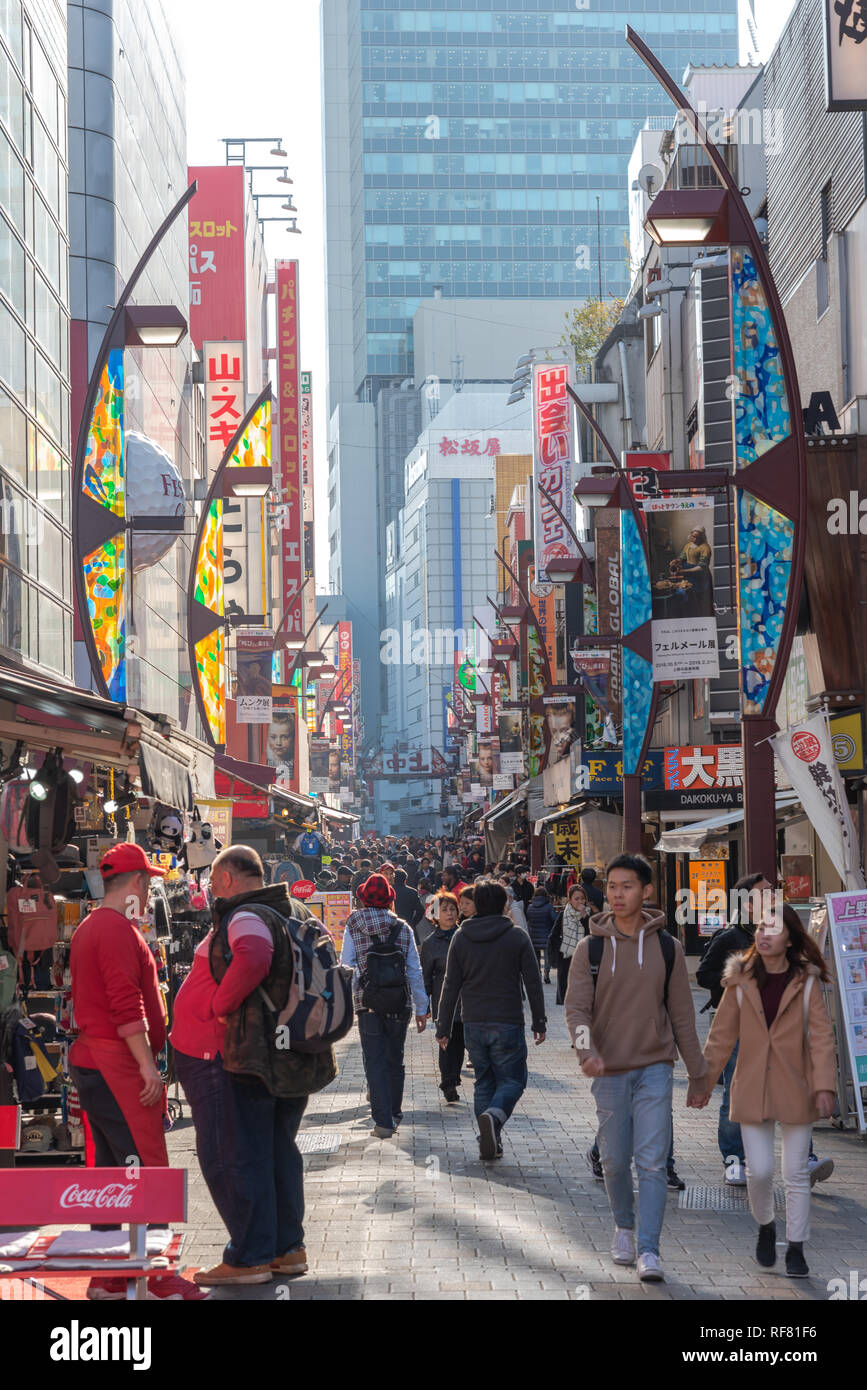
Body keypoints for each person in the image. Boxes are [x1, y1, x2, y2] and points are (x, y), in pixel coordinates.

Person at [188, 847, 337, 1288]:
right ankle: (287, 1249)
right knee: (277, 1150)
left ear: (230, 877)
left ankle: (250, 1256)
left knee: (244, 1154)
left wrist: (219, 1003)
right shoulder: (296, 909)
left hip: (259, 1056)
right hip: (297, 1051)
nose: (212, 890)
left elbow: (252, 955)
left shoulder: (249, 914)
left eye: (214, 881)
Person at [68, 844, 207, 1301]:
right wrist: (149, 1068)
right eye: (148, 882)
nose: (149, 892)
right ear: (137, 884)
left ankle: (110, 1275)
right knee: (148, 1169)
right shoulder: (113, 930)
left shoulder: (96, 926)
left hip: (101, 1063)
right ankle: (158, 1276)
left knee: (112, 1171)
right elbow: (125, 1005)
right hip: (118, 1067)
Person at [564, 853, 708, 1283]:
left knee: (652, 1162)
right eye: (611, 886)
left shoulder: (668, 947)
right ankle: (623, 1227)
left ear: (646, 891)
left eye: (627, 886)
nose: (617, 894)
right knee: (613, 1159)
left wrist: (698, 1074)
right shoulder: (590, 948)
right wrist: (586, 1053)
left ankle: (649, 1249)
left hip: (655, 1067)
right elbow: (576, 1011)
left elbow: (683, 1015)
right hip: (607, 1071)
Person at [691, 905, 837, 1279]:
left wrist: (824, 1087)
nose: (763, 934)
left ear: (789, 938)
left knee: (795, 1173)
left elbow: (821, 1038)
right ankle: (766, 1225)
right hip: (751, 1086)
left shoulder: (805, 982)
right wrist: (704, 1084)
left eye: (772, 928)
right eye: (759, 928)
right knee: (759, 1173)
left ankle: (797, 1247)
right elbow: (720, 1038)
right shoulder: (740, 981)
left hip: (796, 1088)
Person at [436, 878, 546, 1160]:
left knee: (484, 1081)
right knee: (513, 1080)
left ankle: (490, 1136)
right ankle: (494, 1118)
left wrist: (443, 1026)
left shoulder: (461, 937)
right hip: (507, 1021)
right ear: (502, 904)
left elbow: (451, 984)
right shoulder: (517, 936)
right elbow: (533, 982)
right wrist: (540, 1022)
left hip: (473, 1022)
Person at [340, 873, 428, 1137]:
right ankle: (395, 1112)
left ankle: (382, 1122)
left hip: (367, 1002)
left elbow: (348, 964)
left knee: (374, 1059)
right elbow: (414, 970)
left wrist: (350, 999)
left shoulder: (353, 922)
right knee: (395, 1059)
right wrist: (422, 1007)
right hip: (399, 1001)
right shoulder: (403, 927)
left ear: (363, 898)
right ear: (391, 899)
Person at [421, 893, 465, 1104]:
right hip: (443, 1001)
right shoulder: (430, 943)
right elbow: (426, 977)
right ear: (435, 915)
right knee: (446, 1041)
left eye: (452, 909)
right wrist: (425, 1005)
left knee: (461, 1041)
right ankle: (448, 1082)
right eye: (444, 910)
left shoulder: (466, 936)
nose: (449, 914)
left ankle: (453, 1076)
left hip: (467, 1001)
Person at [549, 883, 591, 1006]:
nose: (580, 901)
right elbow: (553, 936)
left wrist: (584, 919)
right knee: (567, 999)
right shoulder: (563, 915)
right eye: (576, 899)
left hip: (584, 959)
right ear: (570, 900)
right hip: (566, 959)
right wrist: (561, 949)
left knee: (582, 998)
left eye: (582, 898)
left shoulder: (589, 916)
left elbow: (592, 936)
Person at [527, 881, 557, 983]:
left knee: (536, 957)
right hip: (546, 935)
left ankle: (538, 973)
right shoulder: (548, 907)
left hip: (533, 935)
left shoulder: (530, 907)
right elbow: (554, 919)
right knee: (547, 956)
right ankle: (546, 974)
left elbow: (529, 920)